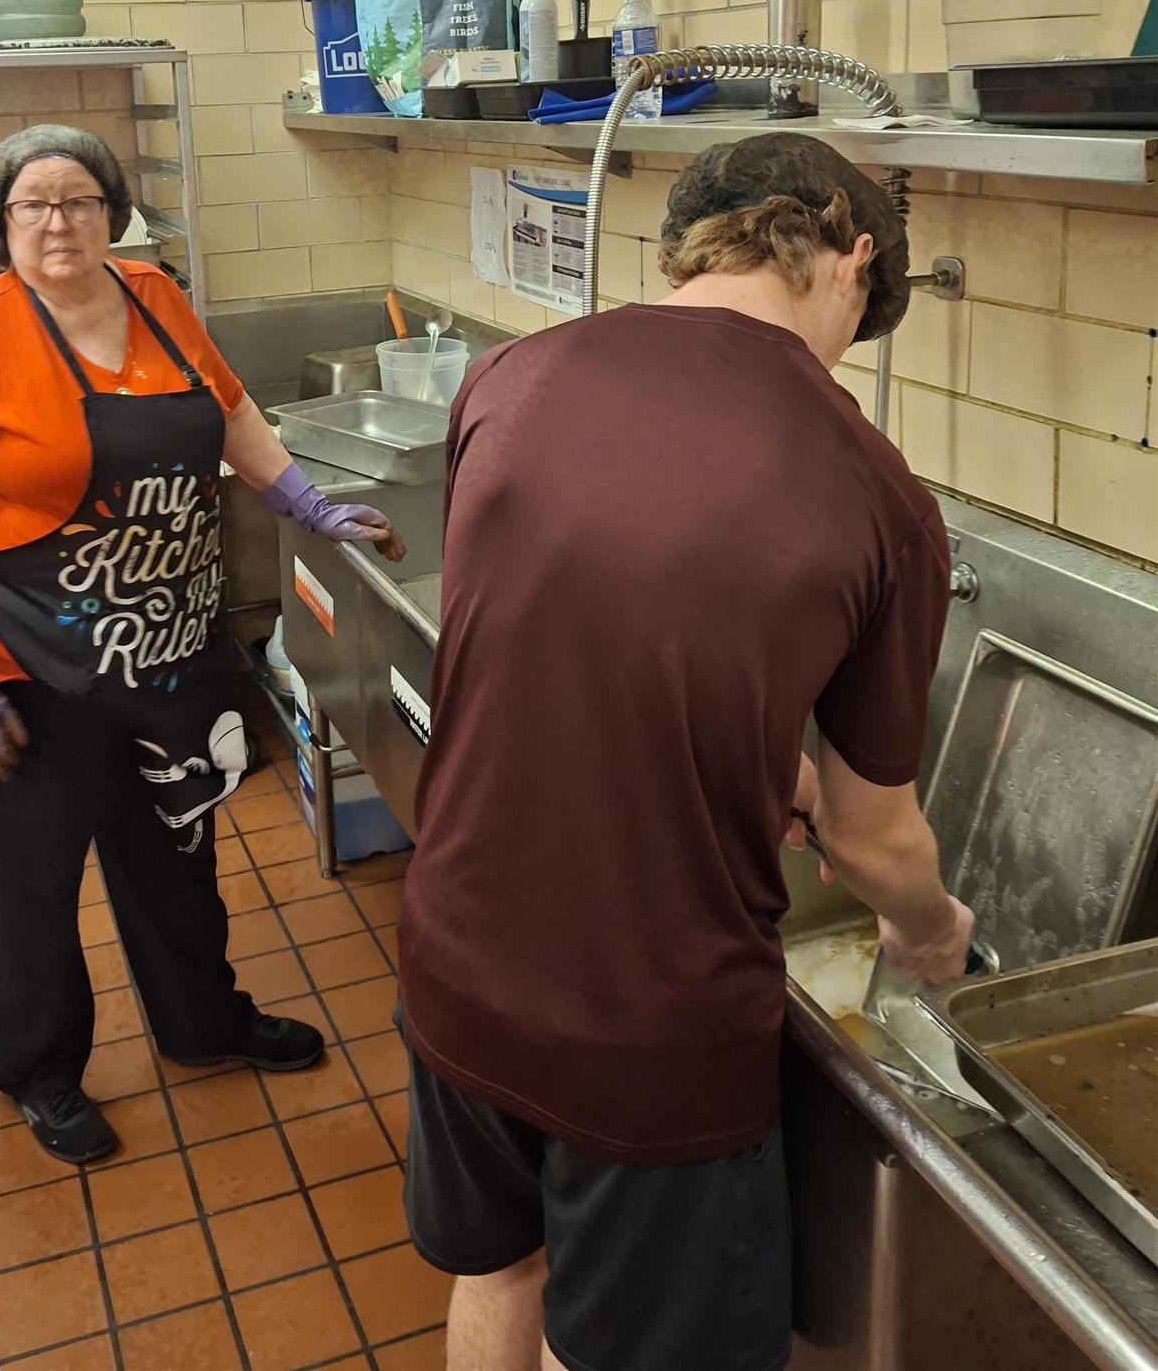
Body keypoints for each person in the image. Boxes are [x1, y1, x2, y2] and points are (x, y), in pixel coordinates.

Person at [395, 133, 975, 1371]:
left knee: (501, 1268)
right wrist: (930, 932)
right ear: (848, 258)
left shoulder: (509, 375)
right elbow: (873, 840)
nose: (842, 356)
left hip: (453, 948)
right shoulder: (877, 494)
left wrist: (765, 763)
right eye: (860, 319)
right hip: (645, 1023)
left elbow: (557, 640)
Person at [0, 124, 403, 1166]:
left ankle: (203, 1022)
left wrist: (306, 504)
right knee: (27, 888)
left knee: (178, 852)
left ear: (113, 214)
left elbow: (232, 413)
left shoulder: (156, 298)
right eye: (32, 206)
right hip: (25, 671)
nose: (57, 223)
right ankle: (42, 1072)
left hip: (168, 655)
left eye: (79, 201)